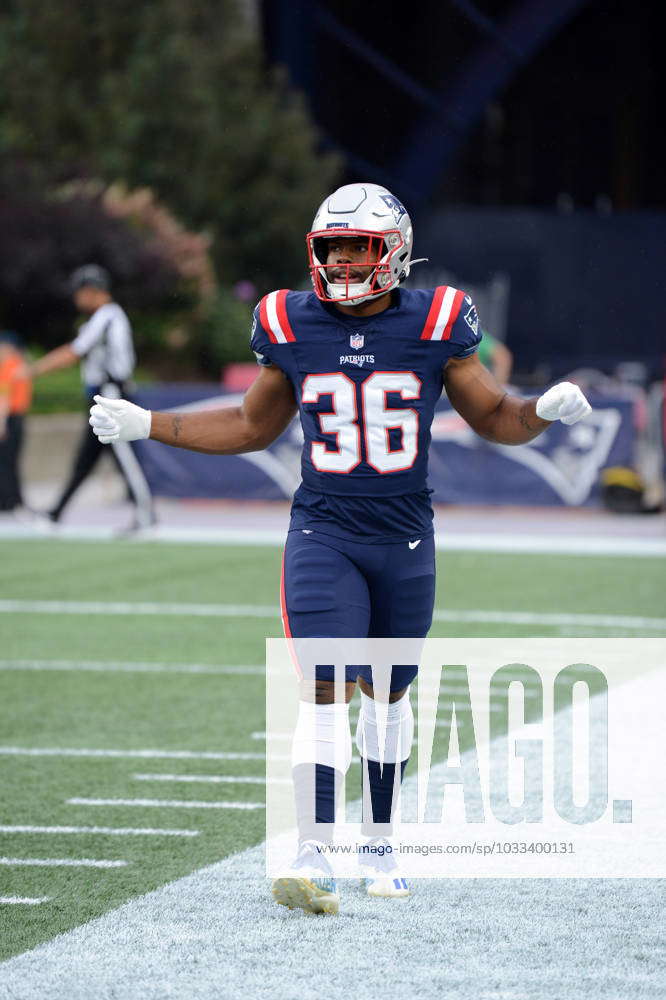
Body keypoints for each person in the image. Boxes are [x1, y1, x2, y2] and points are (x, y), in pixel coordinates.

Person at [88, 183, 591, 914]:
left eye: (360, 245)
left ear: (395, 251)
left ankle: (380, 839)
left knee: (386, 696)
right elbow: (253, 425)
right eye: (334, 246)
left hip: (405, 537)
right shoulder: (291, 322)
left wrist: (540, 413)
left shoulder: (439, 320)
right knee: (324, 688)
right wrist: (151, 425)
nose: (346, 259)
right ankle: (314, 849)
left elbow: (494, 418)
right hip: (324, 531)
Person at [31, 265, 155, 531]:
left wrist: (32, 370)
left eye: (79, 292)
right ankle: (55, 514)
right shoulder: (104, 318)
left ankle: (147, 517)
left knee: (126, 459)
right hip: (102, 397)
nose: (77, 299)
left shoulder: (107, 316)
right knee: (86, 460)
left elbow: (74, 352)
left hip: (112, 396)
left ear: (92, 291)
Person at [0, 331, 32, 515]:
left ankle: (7, 501)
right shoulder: (21, 365)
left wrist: (1, 423)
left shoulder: (8, 366)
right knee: (11, 461)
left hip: (9, 418)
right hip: (19, 418)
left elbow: (4, 397)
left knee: (5, 462)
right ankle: (15, 499)